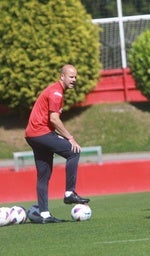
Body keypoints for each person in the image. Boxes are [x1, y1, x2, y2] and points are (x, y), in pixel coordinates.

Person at [25, 64, 90, 224]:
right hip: (41, 133)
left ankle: (44, 215)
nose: (74, 80)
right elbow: (54, 120)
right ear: (62, 76)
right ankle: (69, 193)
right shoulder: (56, 93)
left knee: (43, 175)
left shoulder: (56, 91)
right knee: (73, 151)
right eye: (71, 76)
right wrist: (70, 138)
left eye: (75, 77)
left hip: (33, 135)